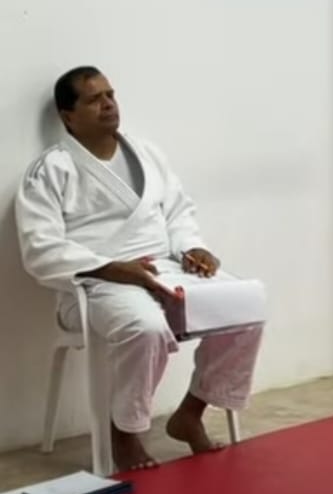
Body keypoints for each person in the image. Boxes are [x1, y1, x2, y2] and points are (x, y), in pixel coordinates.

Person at [16, 67, 265, 473]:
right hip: (95, 284)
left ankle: (191, 413)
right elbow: (41, 248)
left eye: (110, 95)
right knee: (146, 327)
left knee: (246, 308)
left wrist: (192, 247)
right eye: (94, 99)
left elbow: (178, 211)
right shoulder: (51, 169)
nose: (108, 104)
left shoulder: (146, 153)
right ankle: (125, 431)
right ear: (68, 116)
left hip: (164, 270)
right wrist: (112, 268)